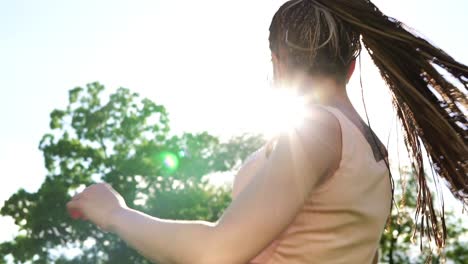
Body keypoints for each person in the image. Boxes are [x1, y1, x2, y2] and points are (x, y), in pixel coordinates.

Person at [67, 0, 468, 263]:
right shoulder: (372, 155)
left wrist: (113, 213)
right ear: (349, 66)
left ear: (277, 63)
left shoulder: (316, 131)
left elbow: (218, 251)